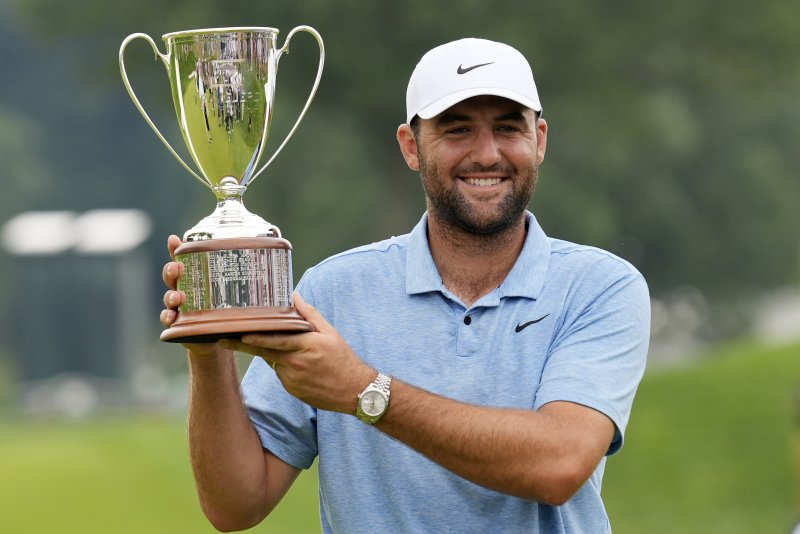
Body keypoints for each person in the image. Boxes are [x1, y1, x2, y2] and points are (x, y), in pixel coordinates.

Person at [160, 37, 650, 533]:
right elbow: (235, 505)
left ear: (539, 140)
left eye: (508, 128)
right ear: (411, 147)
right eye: (457, 130)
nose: (487, 153)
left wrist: (363, 391)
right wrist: (207, 350)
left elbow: (559, 464)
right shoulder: (333, 291)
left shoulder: (600, 287)